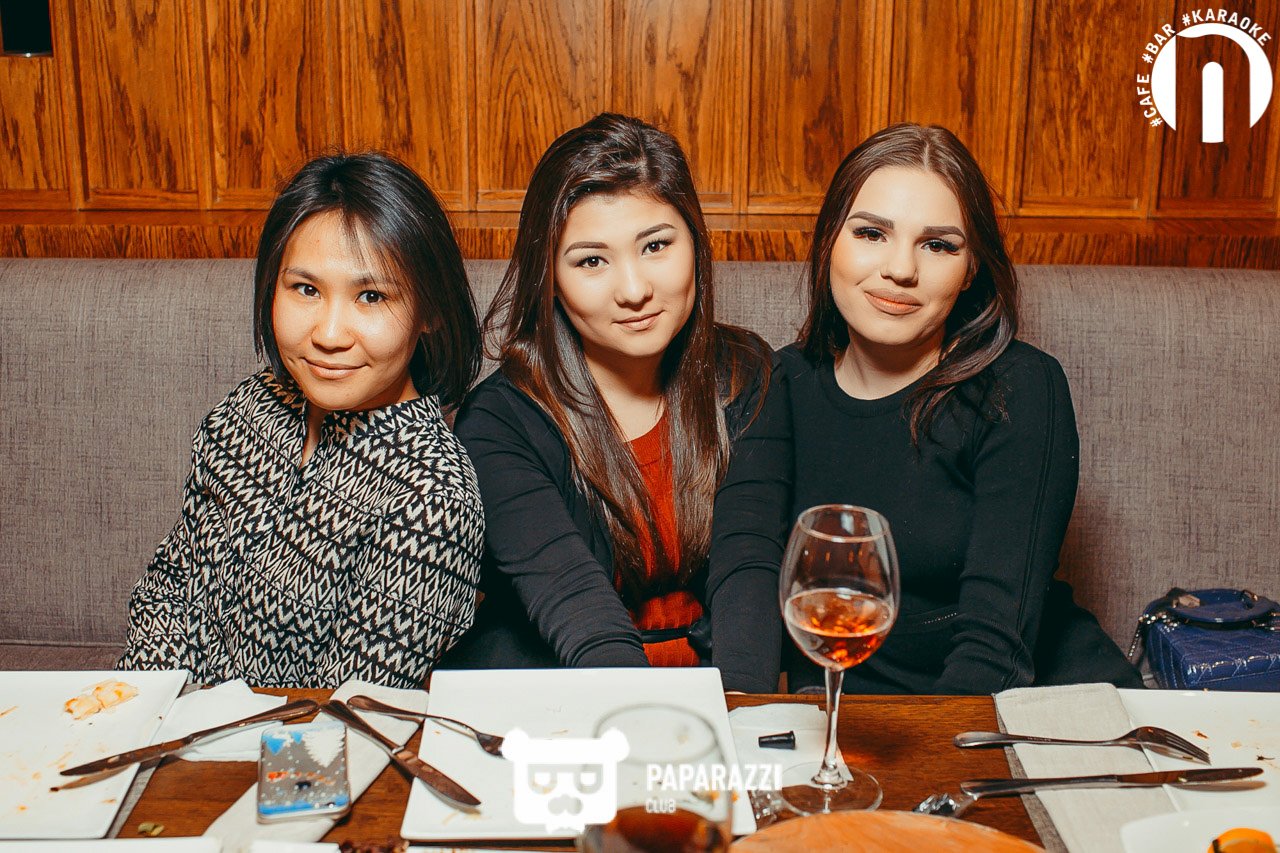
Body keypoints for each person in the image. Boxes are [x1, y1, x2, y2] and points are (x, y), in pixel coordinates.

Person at [781, 123, 1141, 694]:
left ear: (971, 268)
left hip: (1029, 709)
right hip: (861, 722)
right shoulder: (781, 383)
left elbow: (994, 654)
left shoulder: (1019, 388)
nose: (901, 269)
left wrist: (919, 752)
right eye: (872, 233)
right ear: (829, 241)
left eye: (938, 245)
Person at [441, 113, 790, 693]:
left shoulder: (745, 373)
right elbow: (578, 610)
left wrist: (735, 722)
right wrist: (647, 727)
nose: (634, 290)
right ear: (550, 277)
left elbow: (749, 566)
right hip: (564, 698)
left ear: (695, 243)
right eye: (591, 261)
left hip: (715, 693)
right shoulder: (501, 420)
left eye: (655, 245)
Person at [118, 153, 485, 689]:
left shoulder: (431, 497)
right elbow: (170, 590)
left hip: (302, 744)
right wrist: (146, 713)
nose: (329, 334)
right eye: (306, 289)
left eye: (371, 296)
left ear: (429, 311)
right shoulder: (248, 409)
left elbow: (348, 710)